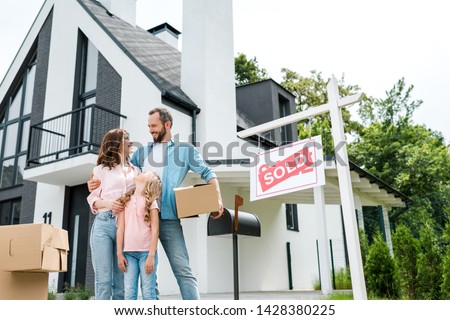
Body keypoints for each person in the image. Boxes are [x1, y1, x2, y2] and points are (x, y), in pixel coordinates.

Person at [89, 107, 223, 300]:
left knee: (182, 269)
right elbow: (119, 173)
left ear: (167, 124)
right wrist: (93, 182)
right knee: (146, 277)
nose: (150, 130)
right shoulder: (141, 153)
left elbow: (208, 172)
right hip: (139, 220)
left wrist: (216, 197)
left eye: (154, 126)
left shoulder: (184, 151)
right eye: (149, 126)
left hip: (167, 218)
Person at [87, 128, 140, 300]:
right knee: (103, 281)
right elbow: (93, 199)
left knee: (121, 281)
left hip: (126, 226)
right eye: (126, 138)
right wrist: (110, 203)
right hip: (103, 223)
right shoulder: (101, 170)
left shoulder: (136, 171)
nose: (130, 141)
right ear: (116, 143)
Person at [116, 170, 162, 300]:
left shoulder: (152, 202)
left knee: (148, 292)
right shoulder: (125, 200)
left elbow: (155, 230)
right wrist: (119, 254)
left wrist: (151, 256)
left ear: (149, 182)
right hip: (129, 254)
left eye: (144, 173)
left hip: (146, 254)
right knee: (129, 293)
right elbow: (120, 229)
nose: (139, 173)